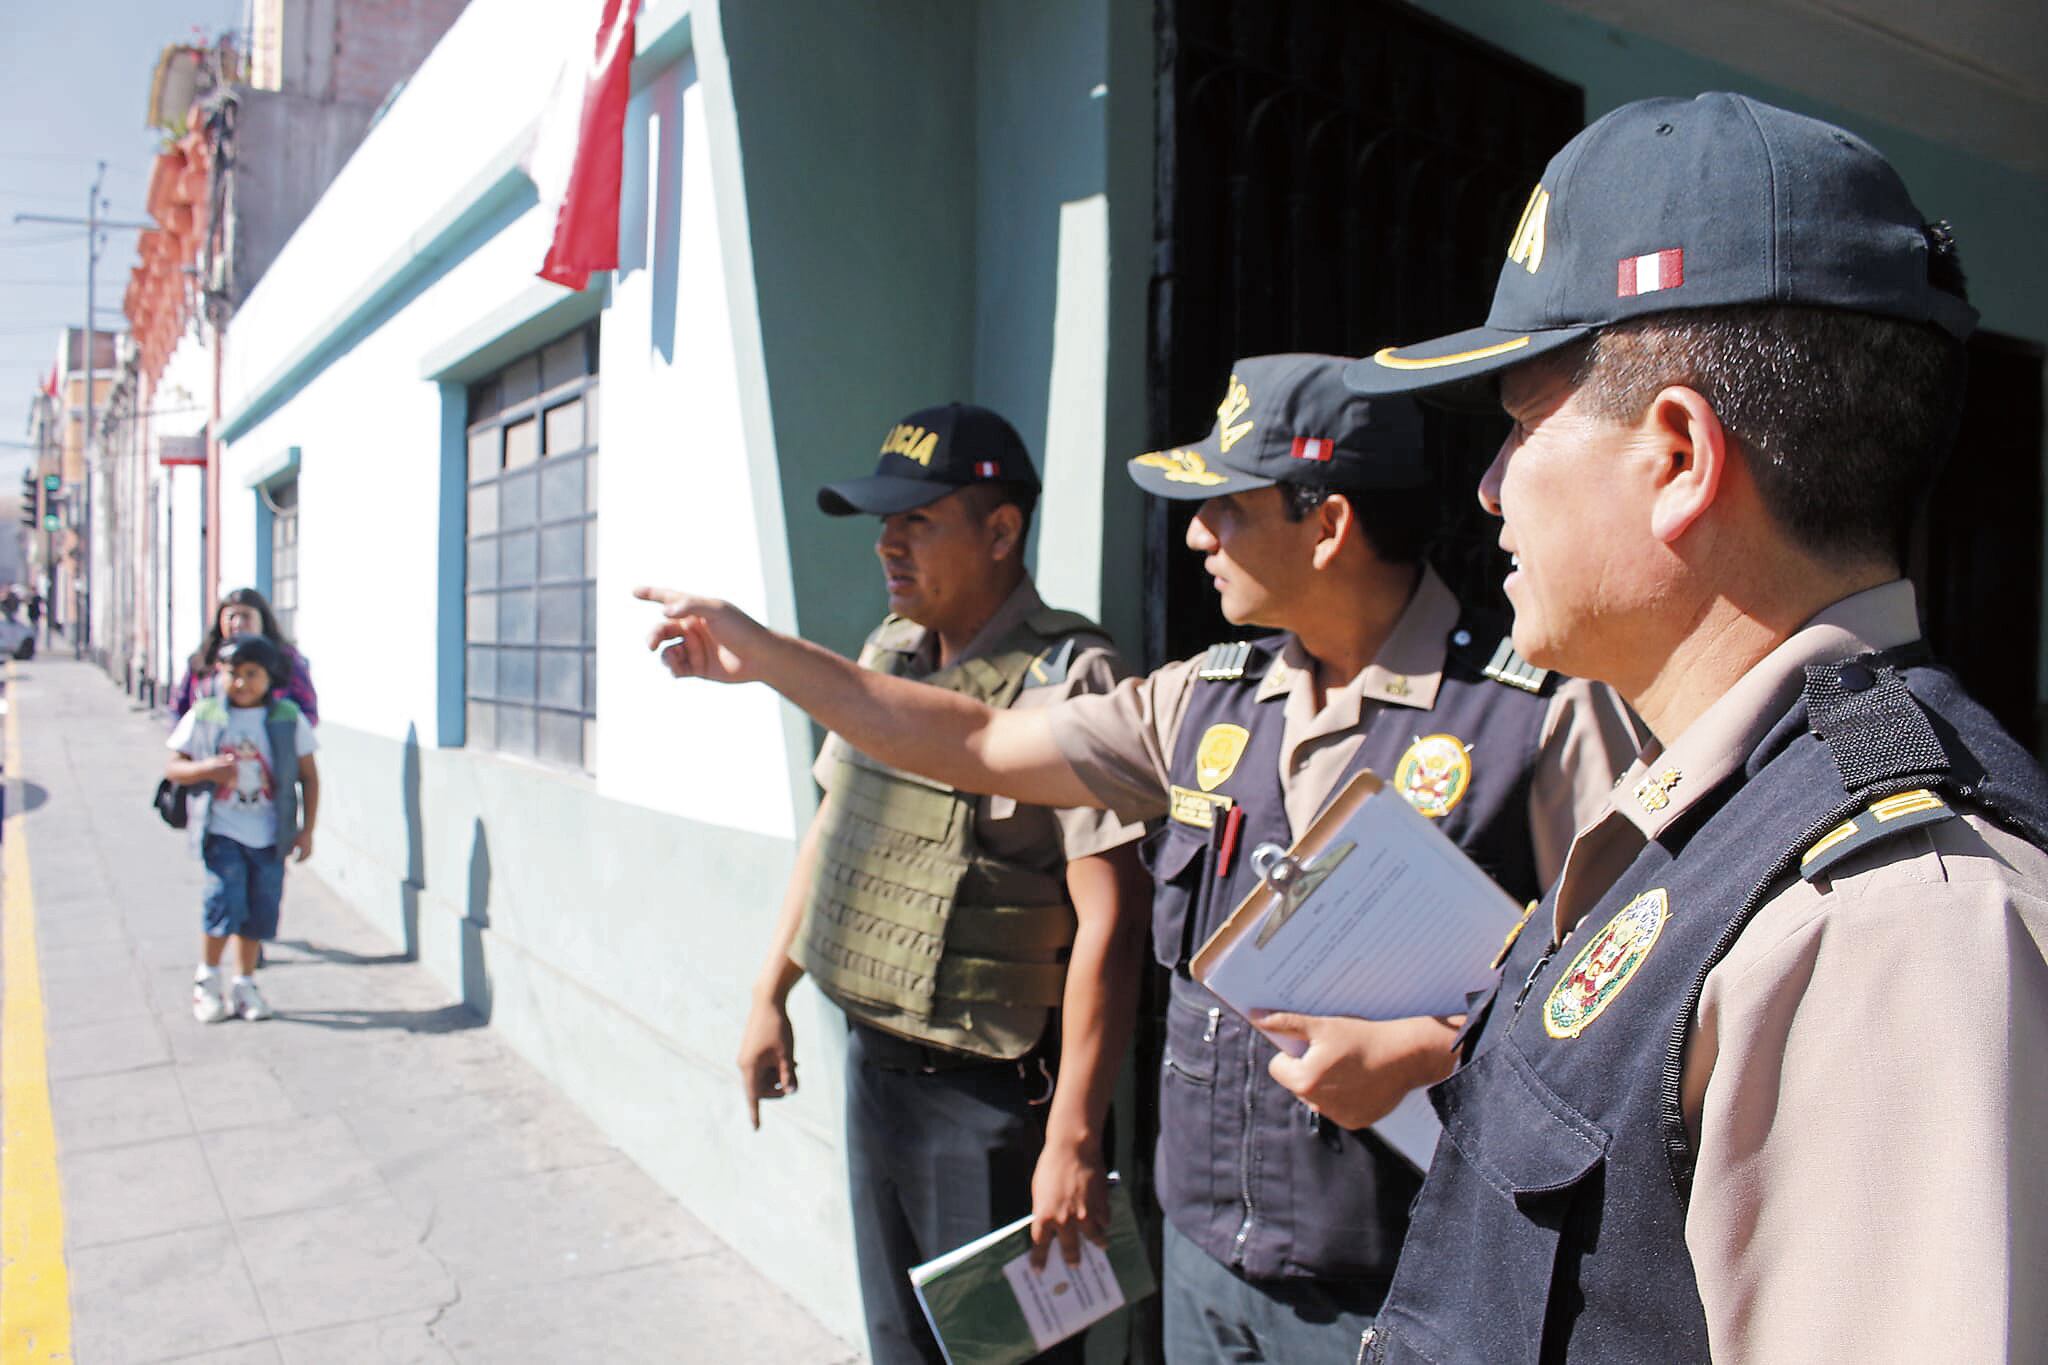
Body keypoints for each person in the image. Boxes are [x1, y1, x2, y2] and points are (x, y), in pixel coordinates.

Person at [639, 358, 1640, 1362]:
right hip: (1206, 1259)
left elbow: (1623, 983)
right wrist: (766, 656)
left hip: (1398, 1276)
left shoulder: (1529, 711)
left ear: (1326, 525)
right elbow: (979, 743)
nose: (1197, 535)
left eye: (1227, 508)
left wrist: (1427, 1050)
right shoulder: (1200, 701)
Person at [1336, 91, 2048, 1362]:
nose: (1489, 489)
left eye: (1514, 426)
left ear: (1675, 456)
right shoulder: (1725, 810)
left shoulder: (1894, 922)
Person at [649, 403, 1149, 1365]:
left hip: (998, 1105)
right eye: (885, 522)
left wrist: (1073, 1135)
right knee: (902, 1347)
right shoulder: (888, 654)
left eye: (917, 520)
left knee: (1013, 1357)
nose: (887, 543)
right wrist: (770, 992)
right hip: (880, 1077)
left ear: (1001, 531)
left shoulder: (1070, 675)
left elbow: (1112, 919)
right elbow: (835, 833)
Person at [165, 633, 320, 1024]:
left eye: (252, 674)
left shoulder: (287, 718)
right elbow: (174, 767)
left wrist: (307, 830)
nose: (241, 683)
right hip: (222, 832)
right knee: (223, 902)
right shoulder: (206, 714)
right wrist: (205, 770)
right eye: (233, 673)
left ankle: (245, 982)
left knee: (258, 910)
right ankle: (208, 979)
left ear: (270, 677)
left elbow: (309, 777)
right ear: (219, 673)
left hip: (270, 834)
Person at [172, 587, 319, 725]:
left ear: (262, 619)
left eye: (246, 616)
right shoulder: (203, 660)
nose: (238, 623)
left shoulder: (285, 659)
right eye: (231, 616)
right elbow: (178, 710)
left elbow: (308, 712)